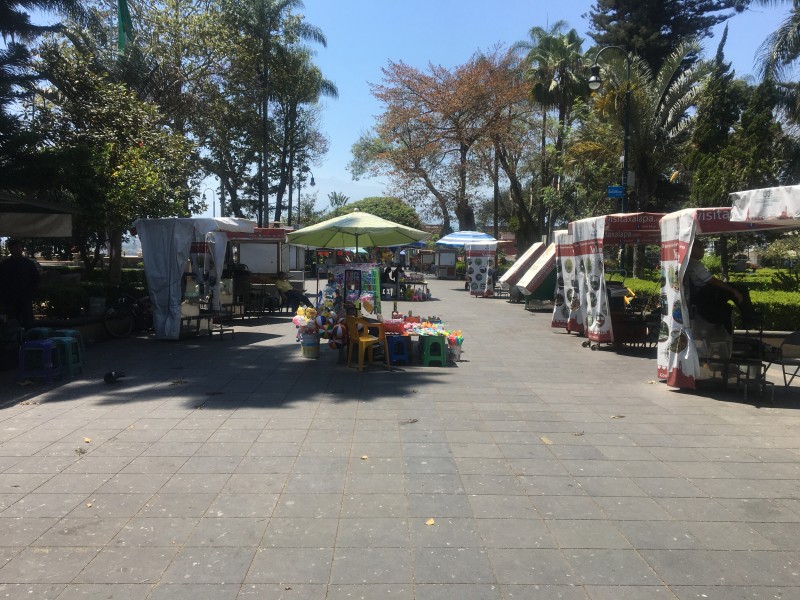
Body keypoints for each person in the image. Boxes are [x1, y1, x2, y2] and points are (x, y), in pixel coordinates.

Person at [684, 243, 760, 333]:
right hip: (706, 294)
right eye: (701, 250)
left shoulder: (691, 263)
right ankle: (749, 319)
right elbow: (713, 281)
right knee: (740, 289)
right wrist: (734, 291)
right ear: (694, 250)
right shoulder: (695, 265)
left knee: (736, 288)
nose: (703, 252)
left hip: (704, 292)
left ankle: (749, 317)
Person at [0, 239, 40, 329]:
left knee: (28, 322)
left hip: (25, 297)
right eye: (15, 247)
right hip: (9, 298)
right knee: (11, 322)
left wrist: (31, 292)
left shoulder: (28, 263)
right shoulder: (4, 265)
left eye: (19, 247)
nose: (17, 249)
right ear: (10, 249)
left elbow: (35, 279)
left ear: (22, 249)